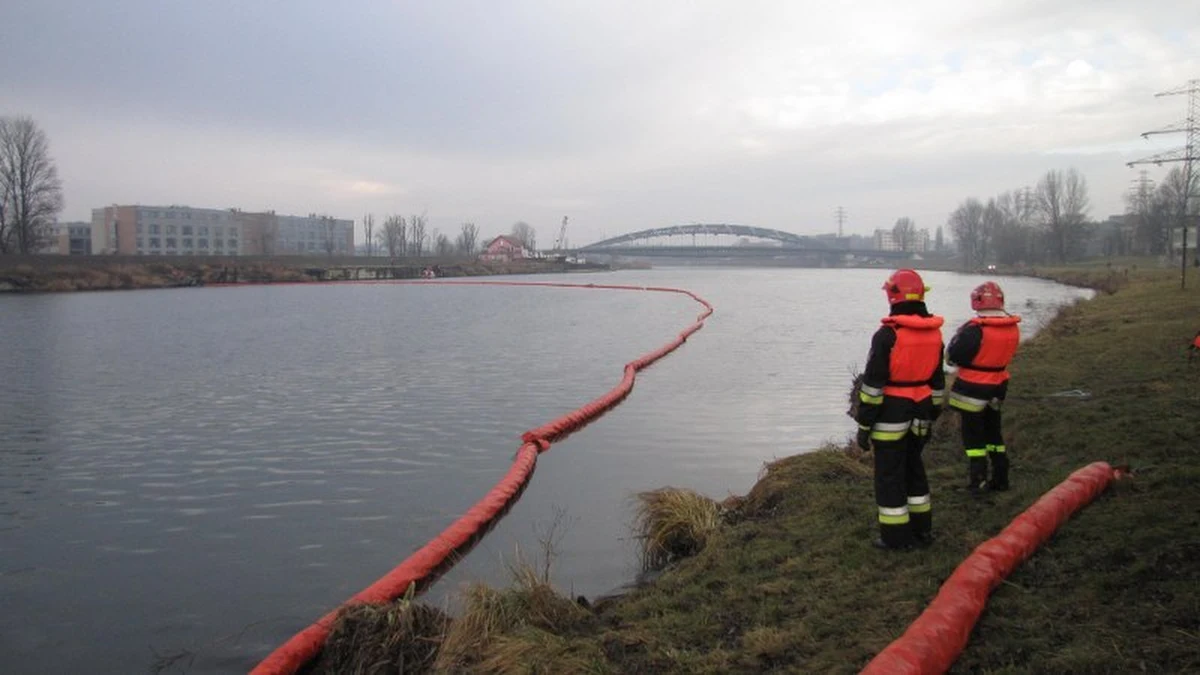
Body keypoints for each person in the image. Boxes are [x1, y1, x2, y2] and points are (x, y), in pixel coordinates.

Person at [855, 269, 945, 550]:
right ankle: (922, 531)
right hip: (921, 411)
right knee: (914, 469)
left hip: (891, 415)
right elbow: (938, 381)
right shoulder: (934, 333)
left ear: (893, 295)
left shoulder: (887, 335)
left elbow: (872, 387)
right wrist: (933, 412)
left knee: (889, 476)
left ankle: (895, 538)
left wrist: (863, 425)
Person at [947, 281, 1021, 494]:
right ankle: (1001, 477)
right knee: (994, 434)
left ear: (976, 301)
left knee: (973, 438)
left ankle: (977, 480)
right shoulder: (1011, 326)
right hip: (998, 385)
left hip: (972, 388)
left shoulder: (974, 329)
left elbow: (955, 355)